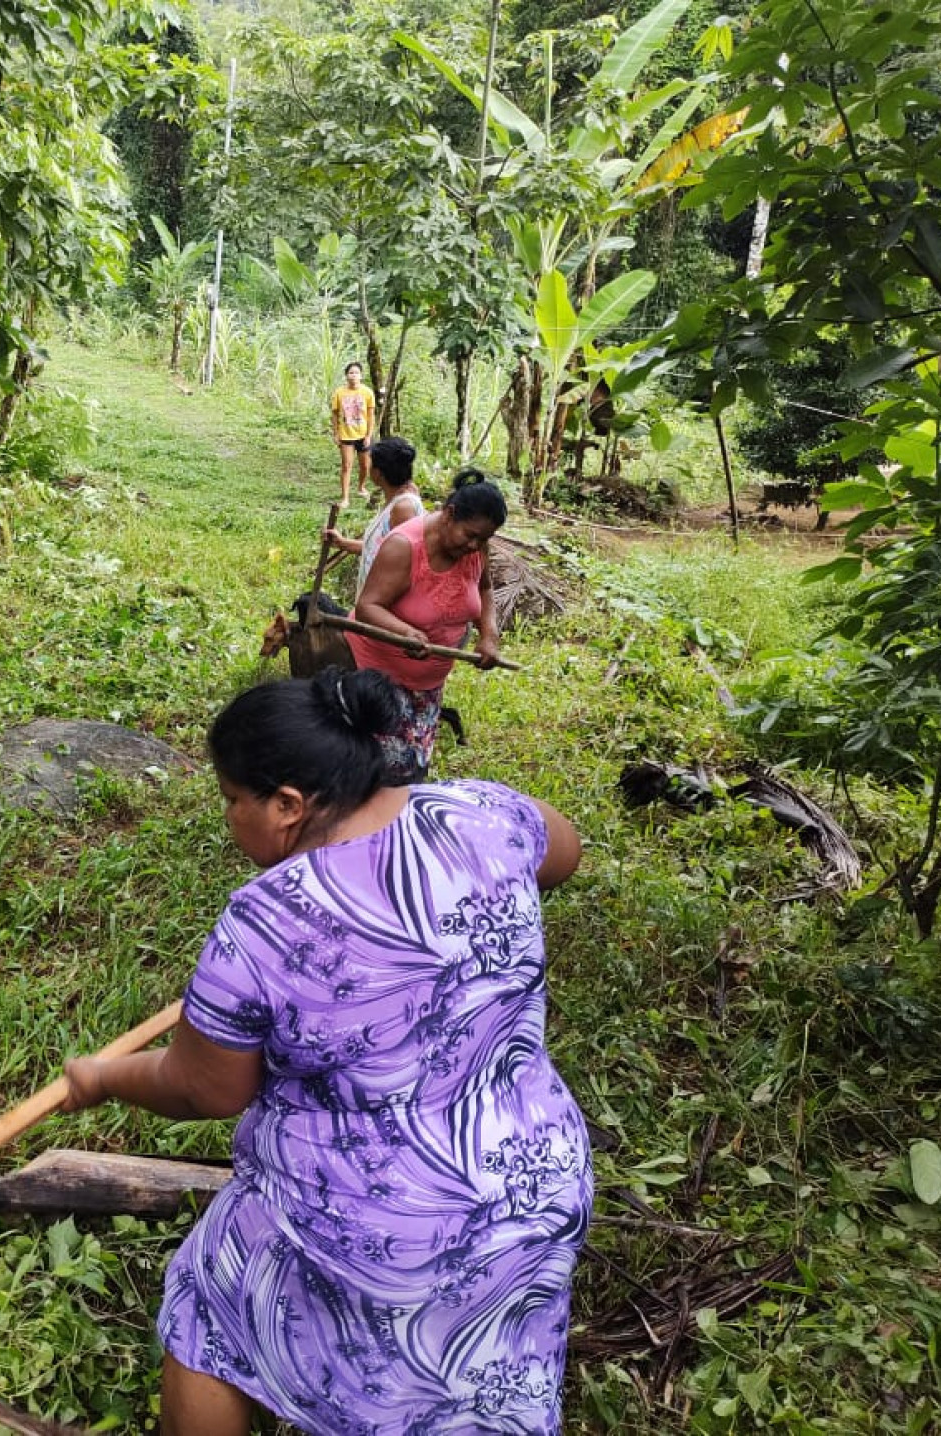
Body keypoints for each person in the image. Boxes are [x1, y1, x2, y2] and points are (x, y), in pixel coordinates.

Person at [64, 669, 589, 1435]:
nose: (227, 818)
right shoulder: (483, 811)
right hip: (534, 1185)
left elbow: (203, 1090)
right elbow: (564, 852)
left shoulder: (264, 923)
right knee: (475, 1386)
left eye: (230, 800)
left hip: (379, 1215)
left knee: (213, 1301)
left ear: (285, 806)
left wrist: (103, 1077)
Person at [348, 467, 506, 780]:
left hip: (429, 682)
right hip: (381, 676)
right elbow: (367, 606)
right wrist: (405, 632)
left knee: (413, 766)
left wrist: (489, 635)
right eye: (471, 535)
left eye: (484, 539)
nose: (475, 546)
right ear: (449, 514)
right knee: (381, 772)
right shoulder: (404, 546)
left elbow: (485, 589)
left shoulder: (476, 547)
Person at [320, 435, 424, 603]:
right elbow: (382, 550)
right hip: (374, 602)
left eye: (371, 464)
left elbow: (402, 564)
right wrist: (343, 543)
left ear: (378, 473)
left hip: (384, 605)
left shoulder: (403, 509)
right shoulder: (397, 500)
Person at [328, 362, 376, 509]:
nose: (353, 375)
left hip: (362, 435)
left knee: (365, 466)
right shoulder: (339, 393)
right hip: (346, 435)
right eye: (350, 373)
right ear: (346, 376)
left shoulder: (367, 392)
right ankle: (345, 498)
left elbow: (370, 415)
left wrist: (368, 435)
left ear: (361, 375)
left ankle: (361, 487)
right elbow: (335, 415)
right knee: (346, 466)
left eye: (356, 373)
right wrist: (335, 433)